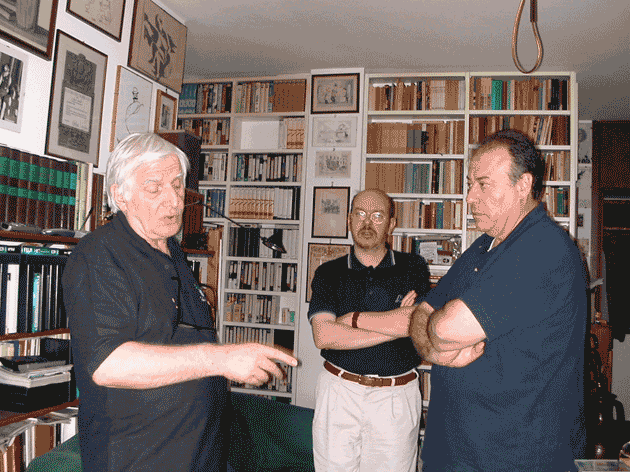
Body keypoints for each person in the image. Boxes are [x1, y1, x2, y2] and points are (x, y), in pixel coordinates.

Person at [63, 133, 297, 472]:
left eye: (177, 186)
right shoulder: (99, 256)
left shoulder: (172, 251)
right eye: (154, 188)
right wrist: (220, 359)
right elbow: (108, 364)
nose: (173, 201)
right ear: (121, 195)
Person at [410, 129, 588, 471]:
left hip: (514, 457)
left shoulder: (544, 249)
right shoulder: (484, 246)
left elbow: (445, 328)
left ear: (523, 185)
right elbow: (422, 311)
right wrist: (431, 348)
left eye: (483, 184)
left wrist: (433, 336)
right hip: (455, 451)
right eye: (470, 185)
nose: (469, 197)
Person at [307, 188, 431, 472]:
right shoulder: (328, 272)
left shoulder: (413, 267)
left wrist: (352, 319)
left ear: (391, 224)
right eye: (360, 214)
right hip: (339, 392)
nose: (367, 223)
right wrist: (396, 324)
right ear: (349, 220)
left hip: (395, 397)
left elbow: (416, 324)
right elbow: (323, 336)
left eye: (377, 216)